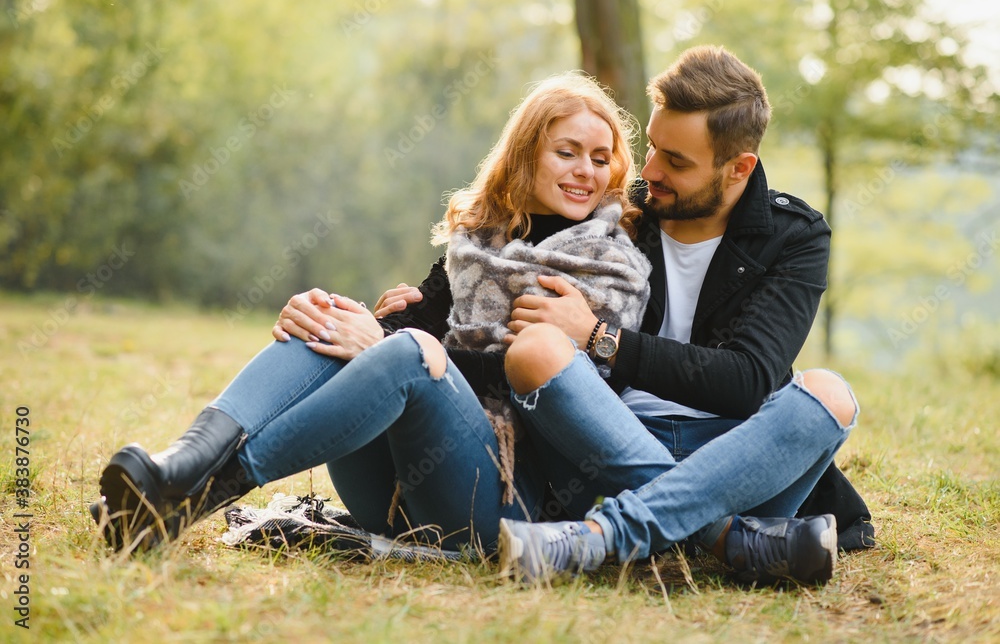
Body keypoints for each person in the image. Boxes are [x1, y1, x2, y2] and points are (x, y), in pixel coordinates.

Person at [90, 72, 654, 554]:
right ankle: (183, 463)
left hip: (508, 507)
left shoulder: (608, 267)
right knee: (335, 314)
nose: (587, 170)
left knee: (409, 354)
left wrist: (404, 350)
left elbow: (561, 399)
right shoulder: (478, 245)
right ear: (526, 154)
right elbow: (402, 334)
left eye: (601, 159)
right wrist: (350, 323)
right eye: (568, 152)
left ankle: (194, 500)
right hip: (395, 495)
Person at [489, 45, 864, 585]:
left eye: (677, 162)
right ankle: (736, 540)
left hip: (739, 455)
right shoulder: (618, 213)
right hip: (607, 438)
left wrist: (600, 336)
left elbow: (746, 381)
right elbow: (503, 240)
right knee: (534, 352)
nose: (649, 171)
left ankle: (601, 538)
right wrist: (420, 307)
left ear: (739, 169)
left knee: (830, 394)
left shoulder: (795, 236)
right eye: (653, 148)